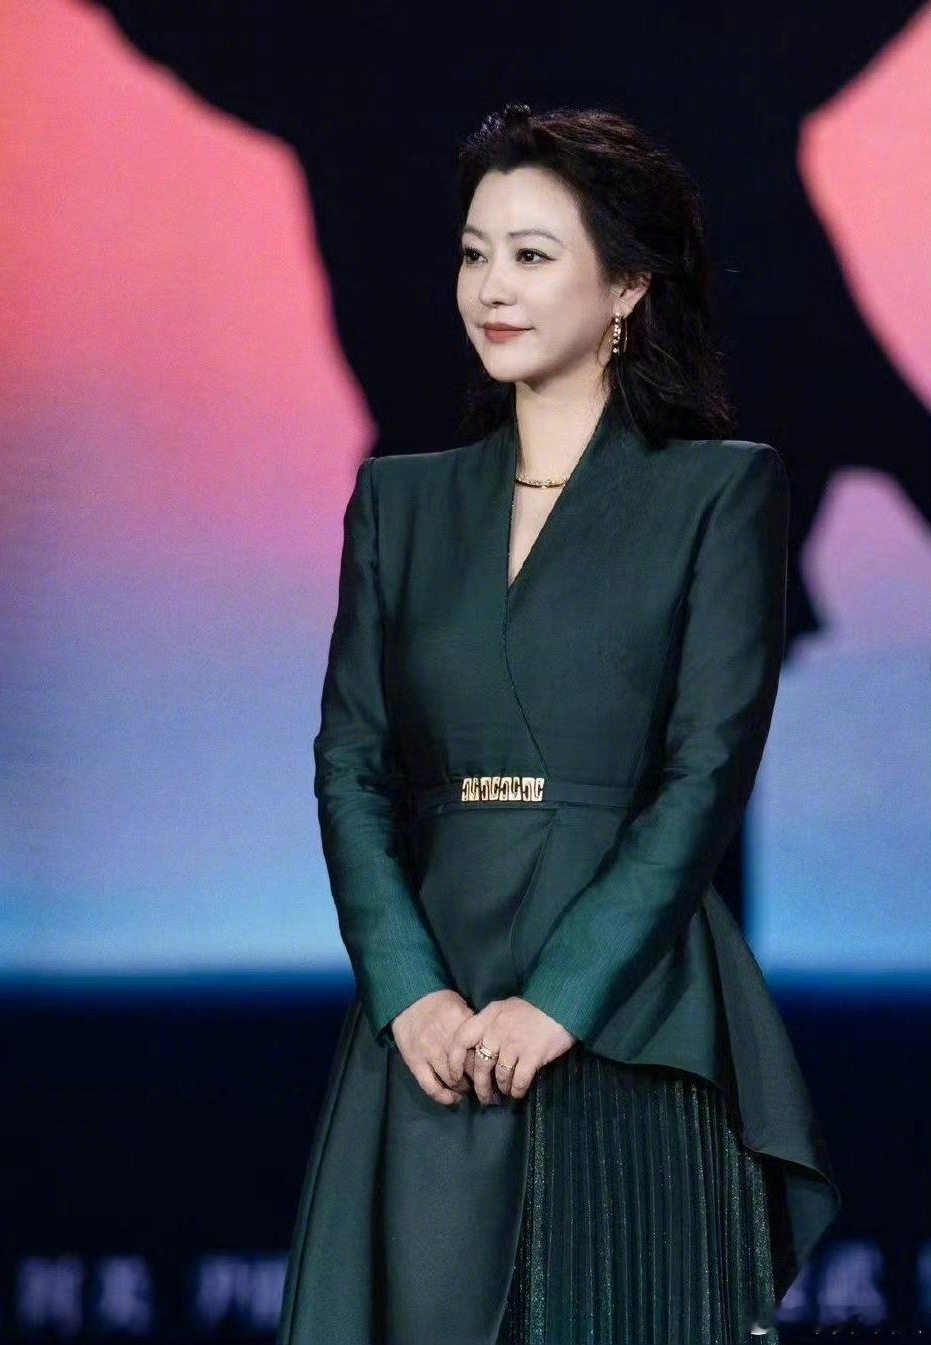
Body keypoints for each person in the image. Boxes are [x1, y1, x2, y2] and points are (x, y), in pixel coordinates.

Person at [276, 102, 841, 1345]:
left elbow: (705, 773)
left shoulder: (720, 490)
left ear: (629, 285)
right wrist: (410, 994)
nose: (492, 287)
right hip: (430, 1013)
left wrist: (560, 1001)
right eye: (475, 253)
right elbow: (352, 765)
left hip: (629, 1012)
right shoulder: (400, 503)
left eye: (533, 255)